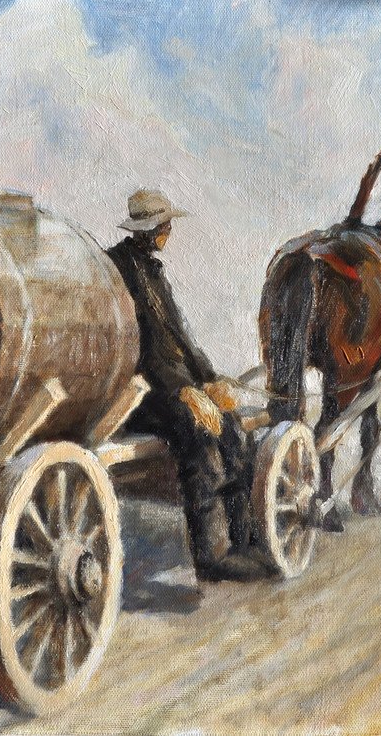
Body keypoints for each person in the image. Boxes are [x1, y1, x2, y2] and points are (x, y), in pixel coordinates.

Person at [106, 189, 270, 582]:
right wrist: (182, 390)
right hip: (139, 393)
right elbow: (139, 346)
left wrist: (209, 381)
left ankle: (245, 539)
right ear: (150, 229)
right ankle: (212, 556)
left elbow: (178, 336)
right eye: (165, 225)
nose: (169, 231)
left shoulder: (152, 270)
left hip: (169, 386)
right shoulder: (119, 270)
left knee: (232, 428)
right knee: (198, 437)